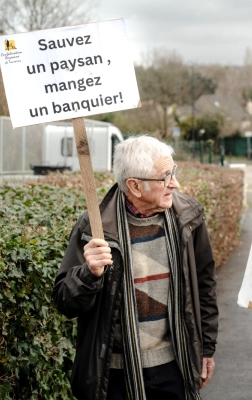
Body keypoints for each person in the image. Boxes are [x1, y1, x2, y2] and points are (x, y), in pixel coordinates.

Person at [53, 136, 218, 400]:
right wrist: (89, 274)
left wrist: (206, 349)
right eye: (165, 177)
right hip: (114, 377)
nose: (175, 184)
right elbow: (65, 302)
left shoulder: (187, 218)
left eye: (173, 172)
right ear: (135, 186)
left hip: (173, 367)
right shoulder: (94, 228)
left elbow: (205, 284)